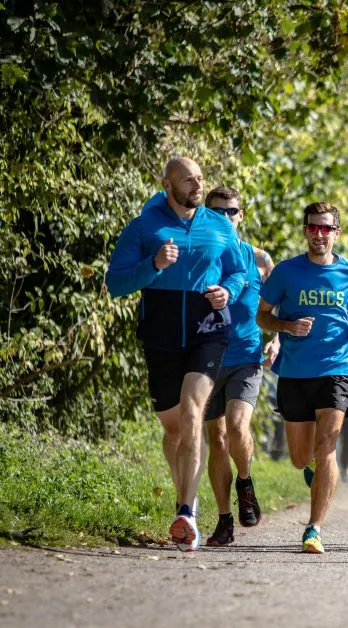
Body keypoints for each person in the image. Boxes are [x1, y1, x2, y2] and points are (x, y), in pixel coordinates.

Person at [106, 156, 247, 552]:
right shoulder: (146, 226)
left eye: (200, 177)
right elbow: (115, 282)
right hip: (161, 334)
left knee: (191, 413)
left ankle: (187, 511)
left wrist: (228, 292)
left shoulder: (219, 225)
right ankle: (187, 494)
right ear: (167, 184)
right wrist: (153, 264)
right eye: (188, 180)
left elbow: (239, 273)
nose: (197, 185)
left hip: (208, 331)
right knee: (173, 429)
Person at [256, 202, 348, 553]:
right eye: (313, 228)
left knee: (326, 448)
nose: (319, 234)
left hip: (335, 370)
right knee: (301, 457)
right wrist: (286, 325)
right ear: (305, 230)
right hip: (293, 372)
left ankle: (313, 528)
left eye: (326, 228)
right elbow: (262, 316)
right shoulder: (286, 272)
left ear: (337, 232)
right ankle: (313, 474)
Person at [201, 186, 280, 547]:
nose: (225, 218)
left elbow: (275, 310)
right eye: (217, 212)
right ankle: (224, 520)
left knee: (235, 427)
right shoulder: (199, 256)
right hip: (204, 359)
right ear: (207, 214)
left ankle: (245, 480)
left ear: (241, 215)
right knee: (215, 439)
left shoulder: (260, 259)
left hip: (246, 357)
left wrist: (276, 339)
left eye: (231, 211)